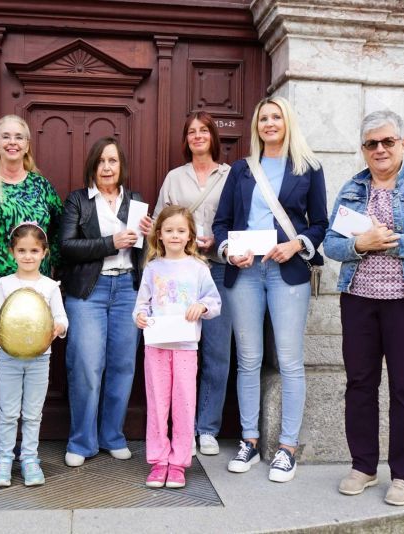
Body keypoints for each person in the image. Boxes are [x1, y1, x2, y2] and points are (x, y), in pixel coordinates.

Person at [322, 110, 404, 506]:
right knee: (359, 385)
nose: (380, 149)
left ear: (402, 143)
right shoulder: (353, 188)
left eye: (387, 141)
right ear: (363, 149)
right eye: (371, 144)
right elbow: (331, 244)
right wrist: (359, 245)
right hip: (358, 301)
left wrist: (391, 241)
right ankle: (363, 466)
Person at [212, 96, 327, 482]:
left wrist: (296, 245)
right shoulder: (242, 170)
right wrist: (229, 251)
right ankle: (249, 440)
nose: (270, 123)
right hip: (246, 273)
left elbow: (320, 223)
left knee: (290, 361)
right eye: (263, 118)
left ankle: (287, 448)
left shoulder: (308, 167)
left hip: (287, 272)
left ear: (287, 122)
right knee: (248, 359)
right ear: (256, 126)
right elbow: (221, 223)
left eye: (276, 117)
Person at [0, 114, 63, 469]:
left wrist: (47, 268)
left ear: (27, 145)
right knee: (5, 363)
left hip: (37, 287)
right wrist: (9, 271)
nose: (12, 142)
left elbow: (58, 229)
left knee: (34, 364)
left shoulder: (41, 186)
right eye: (6, 136)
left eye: (19, 137)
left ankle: (29, 451)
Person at [60, 136, 145, 467]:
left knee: (123, 365)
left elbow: (144, 250)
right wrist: (111, 242)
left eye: (113, 161)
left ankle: (113, 435)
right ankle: (81, 441)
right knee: (86, 366)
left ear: (121, 165)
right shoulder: (78, 200)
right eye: (101, 161)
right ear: (92, 166)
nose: (107, 167)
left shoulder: (135, 201)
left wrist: (151, 234)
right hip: (88, 292)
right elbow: (67, 247)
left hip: (127, 289)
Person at [153, 111, 232, 456]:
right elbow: (160, 219)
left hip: (217, 270)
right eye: (191, 132)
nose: (198, 136)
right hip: (179, 273)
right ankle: (178, 429)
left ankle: (207, 428)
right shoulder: (175, 177)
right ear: (186, 139)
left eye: (204, 131)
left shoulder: (230, 175)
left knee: (217, 352)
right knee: (177, 349)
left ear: (213, 136)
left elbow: (240, 219)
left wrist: (220, 241)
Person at [134, 205, 221, 489]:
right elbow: (141, 305)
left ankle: (179, 462)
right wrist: (140, 317)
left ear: (190, 236)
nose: (175, 235)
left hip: (185, 347)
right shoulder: (152, 268)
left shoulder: (198, 268)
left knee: (184, 403)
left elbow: (214, 302)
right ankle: (159, 460)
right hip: (156, 346)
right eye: (169, 230)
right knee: (158, 403)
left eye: (181, 231)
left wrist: (202, 306)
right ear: (159, 234)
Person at [0, 222, 68, 487]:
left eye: (34, 250)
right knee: (8, 412)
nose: (28, 256)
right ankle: (4, 459)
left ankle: (30, 458)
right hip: (9, 358)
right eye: (22, 250)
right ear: (12, 252)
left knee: (33, 413)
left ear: (44, 252)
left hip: (40, 359)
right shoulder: (4, 284)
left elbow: (62, 318)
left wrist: (59, 327)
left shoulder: (50, 286)